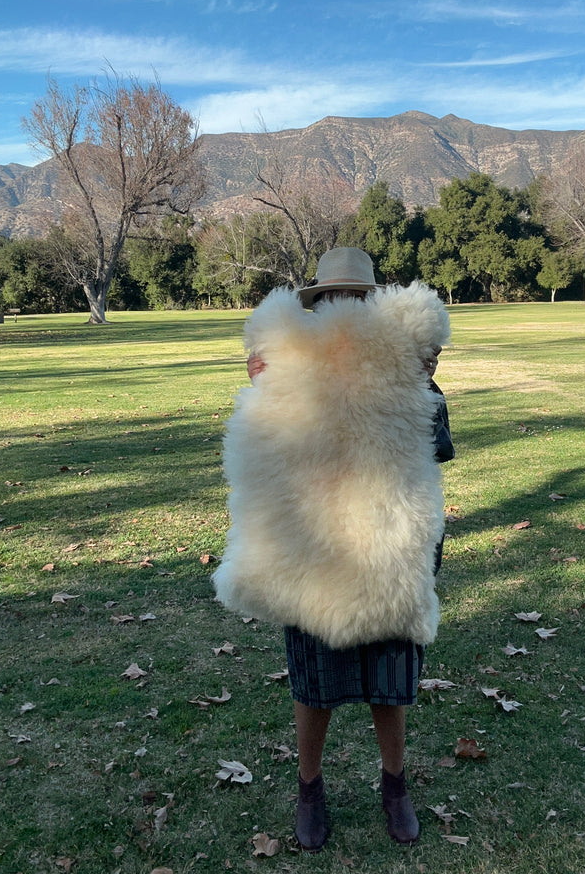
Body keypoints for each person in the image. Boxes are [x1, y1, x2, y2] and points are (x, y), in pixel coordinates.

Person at [216, 247, 453, 851]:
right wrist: (271, 385)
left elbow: (435, 450)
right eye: (332, 300)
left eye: (355, 298)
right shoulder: (285, 374)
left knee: (391, 679)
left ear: (373, 304)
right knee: (312, 680)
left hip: (389, 550)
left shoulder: (410, 376)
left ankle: (394, 784)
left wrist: (416, 382)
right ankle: (309, 787)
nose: (344, 308)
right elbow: (265, 454)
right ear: (316, 306)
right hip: (313, 552)